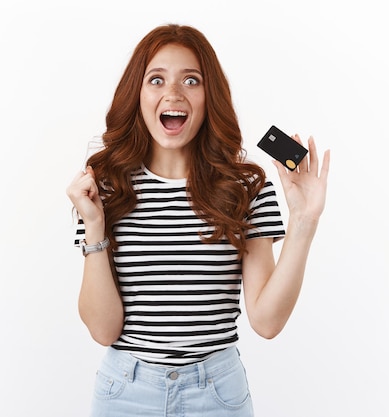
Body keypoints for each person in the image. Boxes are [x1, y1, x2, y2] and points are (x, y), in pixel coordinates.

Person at [66, 23, 330, 417]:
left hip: (217, 394)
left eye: (191, 80)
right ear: (137, 94)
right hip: (126, 394)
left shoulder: (245, 187)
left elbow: (267, 321)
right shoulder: (106, 187)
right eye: (156, 79)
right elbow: (103, 330)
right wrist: (94, 226)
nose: (173, 93)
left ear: (210, 97)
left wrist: (304, 221)